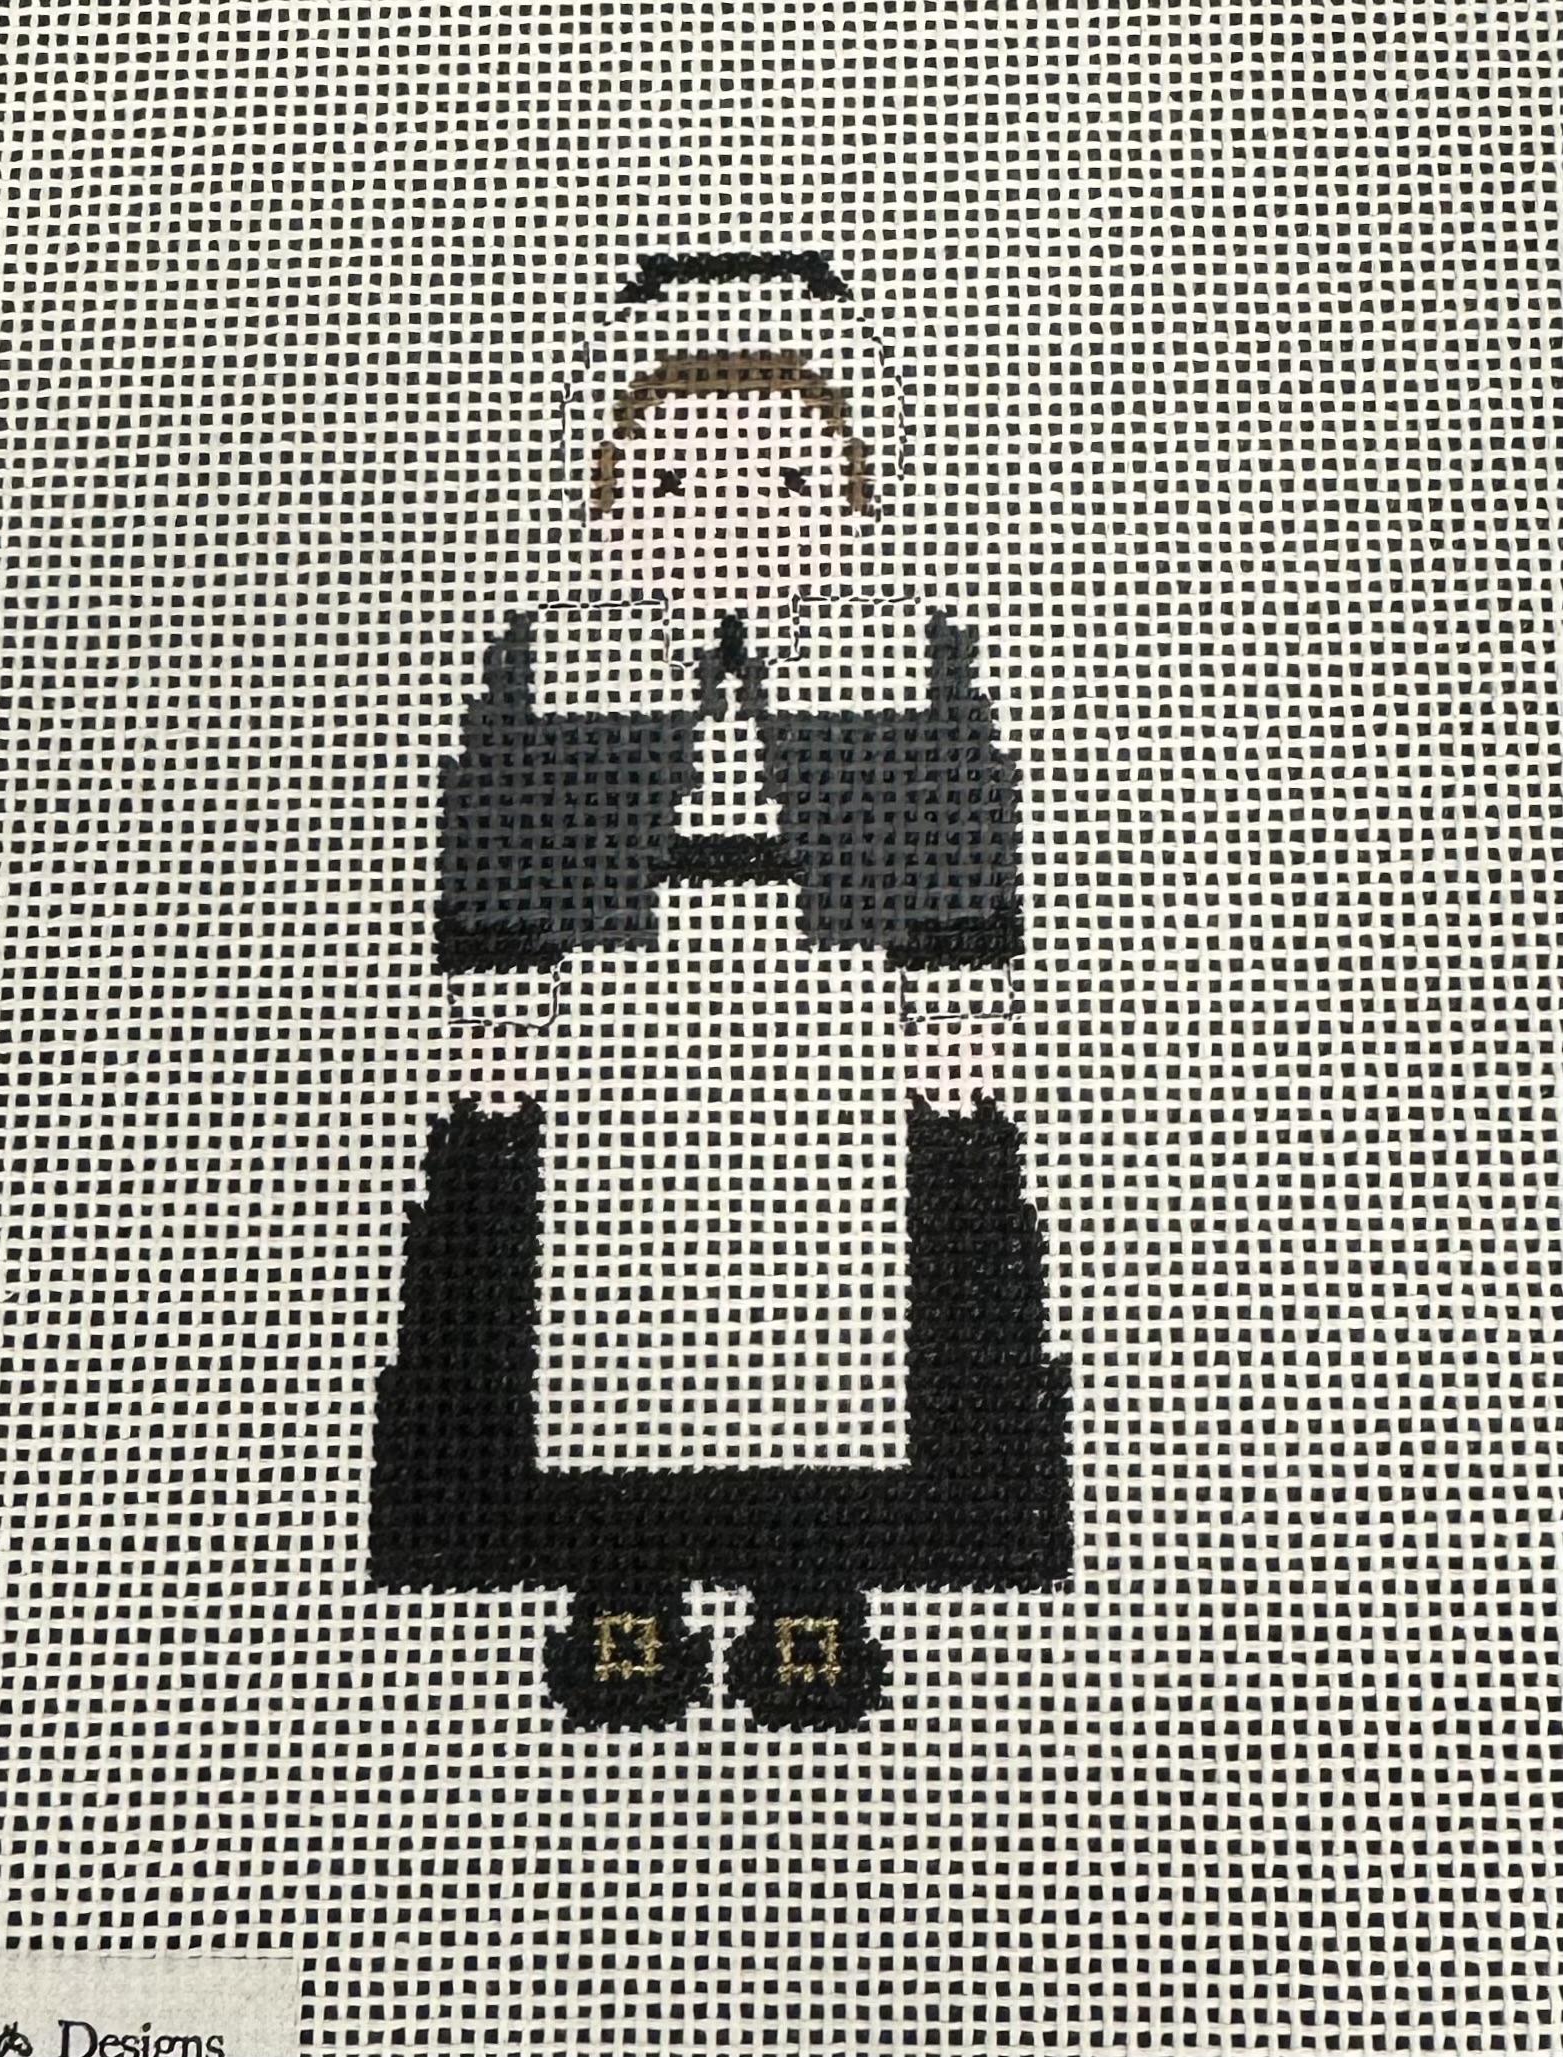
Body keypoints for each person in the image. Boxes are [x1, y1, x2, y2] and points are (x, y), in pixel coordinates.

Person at [371, 254, 1069, 1728]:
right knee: (601, 1313)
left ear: (857, 497)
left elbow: (957, 824)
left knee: (841, 1311)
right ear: (608, 494)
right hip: (615, 1036)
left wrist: (957, 993)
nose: (734, 516)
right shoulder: (569, 661)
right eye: (675, 482)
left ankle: (815, 1583)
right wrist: (495, 997)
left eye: (793, 482)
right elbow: (500, 828)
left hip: (837, 1039)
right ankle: (618, 1581)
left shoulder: (890, 658)